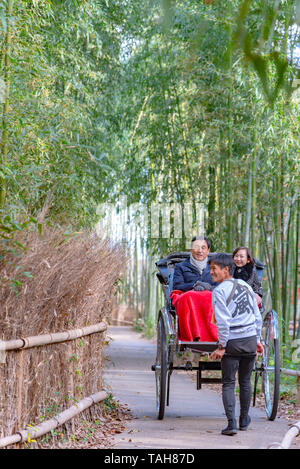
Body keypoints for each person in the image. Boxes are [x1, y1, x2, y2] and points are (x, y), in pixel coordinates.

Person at [209, 253, 264, 436]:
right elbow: (256, 316)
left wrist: (222, 346)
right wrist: (257, 341)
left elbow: (223, 322)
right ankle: (244, 420)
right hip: (249, 340)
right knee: (246, 381)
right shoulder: (245, 286)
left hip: (232, 341)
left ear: (226, 270)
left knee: (228, 383)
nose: (211, 273)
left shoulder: (219, 291)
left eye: (214, 269)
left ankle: (231, 424)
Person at [170, 237, 218, 342]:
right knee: (188, 297)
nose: (200, 251)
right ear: (191, 249)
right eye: (196, 247)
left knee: (215, 298)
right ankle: (192, 337)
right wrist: (194, 285)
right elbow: (177, 286)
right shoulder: (180, 266)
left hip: (209, 297)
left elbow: (220, 286)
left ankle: (214, 336)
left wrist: (208, 287)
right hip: (189, 298)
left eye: (203, 248)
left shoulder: (215, 267)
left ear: (208, 251)